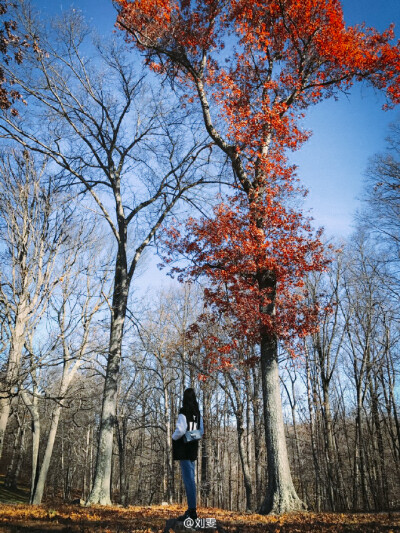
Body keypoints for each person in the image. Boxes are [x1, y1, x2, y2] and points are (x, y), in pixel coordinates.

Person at [172, 387, 204, 522]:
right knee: (191, 479)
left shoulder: (183, 412)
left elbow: (180, 430)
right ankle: (192, 510)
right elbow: (201, 431)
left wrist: (173, 438)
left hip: (183, 451)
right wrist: (191, 436)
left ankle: (192, 511)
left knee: (189, 480)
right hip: (192, 450)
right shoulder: (198, 414)